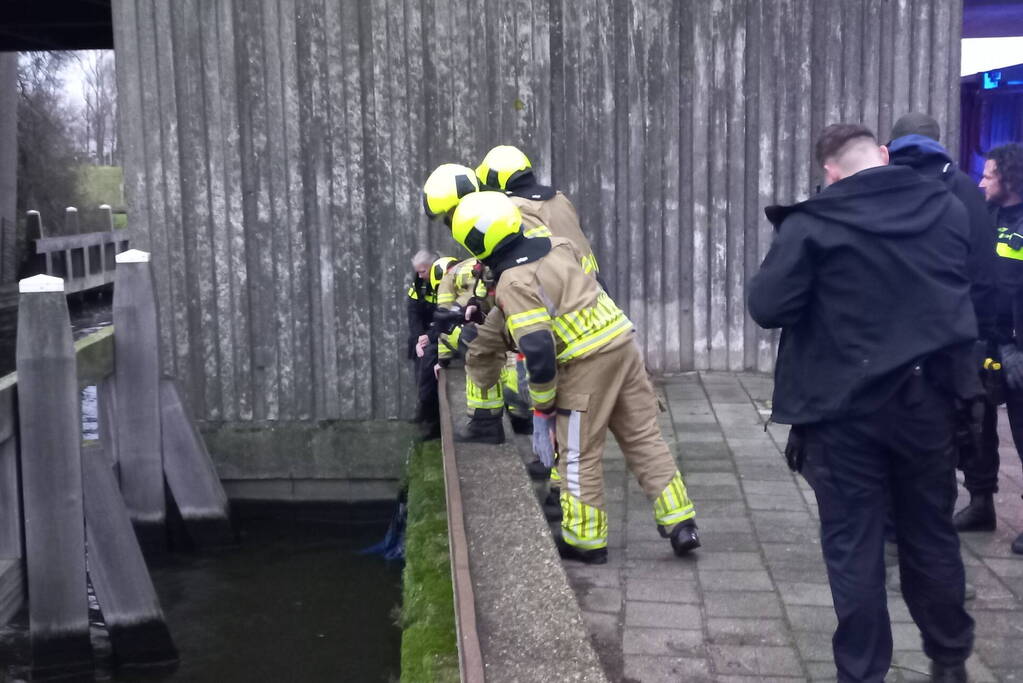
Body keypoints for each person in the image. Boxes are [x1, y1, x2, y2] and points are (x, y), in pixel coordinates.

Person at [749, 123, 978, 682]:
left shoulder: (814, 222)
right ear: (882, 155)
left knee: (854, 547)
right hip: (927, 404)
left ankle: (862, 673)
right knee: (930, 533)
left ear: (829, 172)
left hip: (842, 412)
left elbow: (769, 305)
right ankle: (949, 661)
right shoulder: (947, 209)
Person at [450, 191, 699, 564]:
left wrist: (543, 407)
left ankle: (585, 540)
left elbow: (538, 349)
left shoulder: (514, 282)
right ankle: (681, 522)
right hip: (623, 345)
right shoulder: (556, 244)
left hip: (586, 365)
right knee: (644, 437)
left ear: (476, 242)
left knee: (579, 454)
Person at [958, 142, 1023, 555]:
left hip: (1018, 346)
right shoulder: (984, 217)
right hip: (985, 338)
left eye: (990, 175)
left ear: (1012, 179)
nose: (982, 181)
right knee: (977, 428)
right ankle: (981, 504)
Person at [407, 249, 437, 426]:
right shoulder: (417, 284)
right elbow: (413, 312)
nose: (419, 275)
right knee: (420, 372)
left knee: (429, 369)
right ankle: (423, 410)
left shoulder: (442, 281)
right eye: (417, 271)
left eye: (422, 271)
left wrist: (430, 336)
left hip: (439, 333)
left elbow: (445, 311)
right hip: (423, 335)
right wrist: (419, 338)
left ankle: (429, 416)